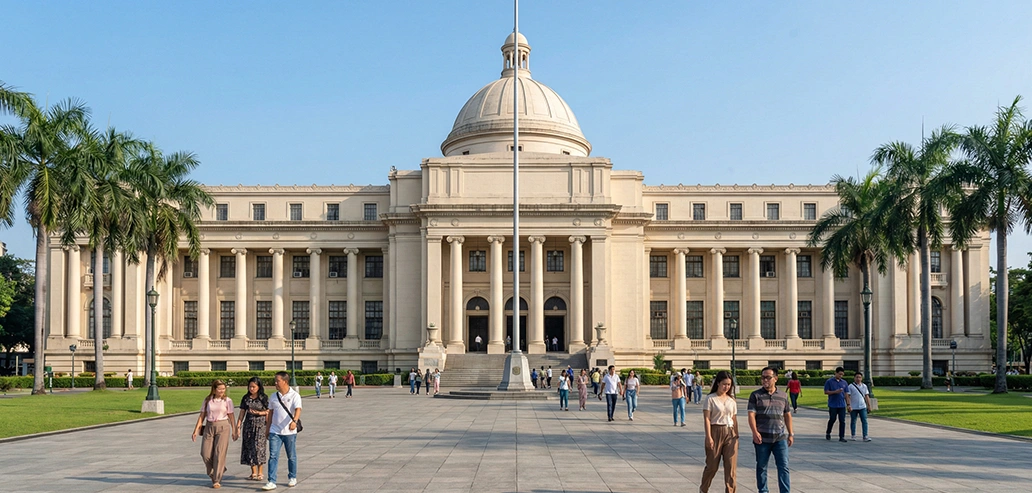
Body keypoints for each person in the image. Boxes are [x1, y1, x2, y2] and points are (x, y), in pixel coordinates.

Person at [748, 366, 793, 493]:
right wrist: (755, 432)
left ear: (776, 379)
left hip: (780, 438)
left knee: (783, 467)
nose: (765, 380)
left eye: (768, 377)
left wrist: (791, 433)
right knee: (761, 467)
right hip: (762, 438)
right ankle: (763, 491)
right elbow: (751, 415)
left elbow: (787, 415)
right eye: (763, 377)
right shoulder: (755, 395)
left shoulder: (783, 395)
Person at [191, 379, 239, 489]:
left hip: (223, 426)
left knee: (219, 453)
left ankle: (217, 479)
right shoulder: (208, 400)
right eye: (219, 389)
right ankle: (216, 470)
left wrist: (234, 430)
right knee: (205, 453)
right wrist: (195, 430)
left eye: (223, 388)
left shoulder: (227, 400)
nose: (222, 391)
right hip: (209, 426)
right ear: (214, 389)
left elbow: (231, 416)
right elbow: (202, 416)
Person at [263, 371, 303, 491]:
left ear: (285, 381)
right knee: (273, 456)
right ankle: (271, 480)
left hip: (289, 432)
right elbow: (270, 413)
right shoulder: (274, 396)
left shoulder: (294, 395)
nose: (275, 383)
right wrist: (268, 428)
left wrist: (294, 421)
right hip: (275, 430)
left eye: (277, 381)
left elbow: (298, 409)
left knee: (291, 456)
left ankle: (292, 477)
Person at [701, 371, 738, 493]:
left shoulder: (731, 400)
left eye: (729, 385)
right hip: (715, 430)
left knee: (730, 467)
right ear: (718, 383)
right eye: (724, 384)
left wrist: (736, 436)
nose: (726, 387)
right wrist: (709, 437)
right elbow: (707, 418)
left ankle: (730, 490)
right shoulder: (711, 399)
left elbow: (734, 418)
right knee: (712, 466)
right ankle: (704, 488)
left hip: (730, 432)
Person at [238, 376, 270, 482]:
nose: (251, 389)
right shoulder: (246, 398)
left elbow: (269, 411)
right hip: (249, 425)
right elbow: (242, 412)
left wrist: (260, 413)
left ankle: (260, 472)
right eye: (250, 387)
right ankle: (253, 472)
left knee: (259, 448)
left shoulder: (263, 398)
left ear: (259, 387)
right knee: (249, 447)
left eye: (253, 387)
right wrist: (238, 426)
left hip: (261, 425)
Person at [846, 371, 873, 442]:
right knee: (853, 421)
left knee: (864, 421)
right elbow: (848, 396)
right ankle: (853, 435)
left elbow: (867, 396)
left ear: (862, 378)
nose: (858, 379)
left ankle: (865, 436)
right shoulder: (851, 386)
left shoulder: (864, 386)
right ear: (854, 378)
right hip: (853, 407)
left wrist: (869, 406)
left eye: (860, 377)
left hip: (862, 406)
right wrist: (848, 405)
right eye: (857, 377)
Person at [824, 366, 849, 442]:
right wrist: (835, 392)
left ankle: (842, 436)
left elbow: (846, 394)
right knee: (832, 419)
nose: (840, 376)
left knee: (842, 420)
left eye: (842, 374)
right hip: (833, 404)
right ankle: (828, 432)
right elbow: (826, 392)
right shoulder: (829, 381)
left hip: (842, 405)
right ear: (836, 373)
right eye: (839, 374)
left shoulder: (844, 382)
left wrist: (848, 404)